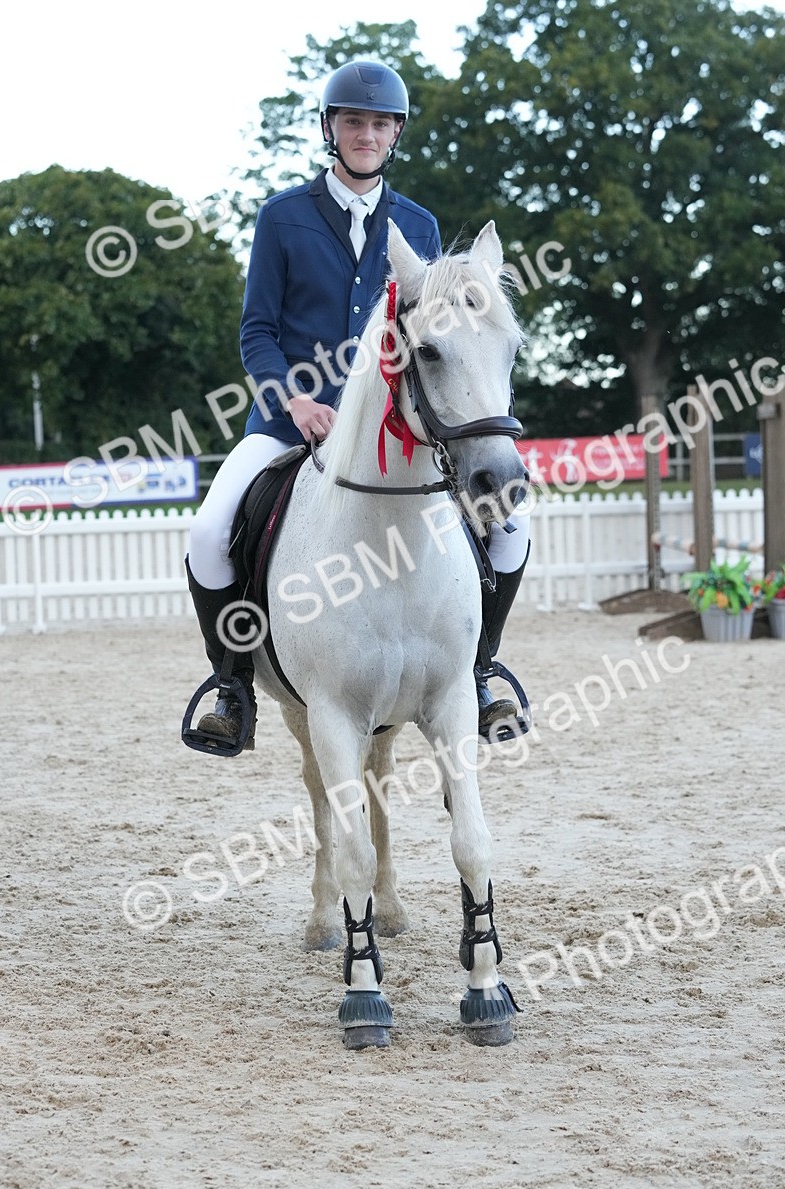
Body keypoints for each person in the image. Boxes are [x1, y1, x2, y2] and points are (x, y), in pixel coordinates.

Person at [184, 59, 530, 753]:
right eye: (353, 122)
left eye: (379, 123)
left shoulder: (419, 226)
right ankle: (232, 685)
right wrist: (296, 400)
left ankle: (482, 669)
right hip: (290, 423)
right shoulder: (281, 217)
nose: (365, 133)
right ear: (329, 130)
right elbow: (258, 331)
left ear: (395, 133)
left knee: (510, 525)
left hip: (394, 432)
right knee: (207, 534)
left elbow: (444, 338)